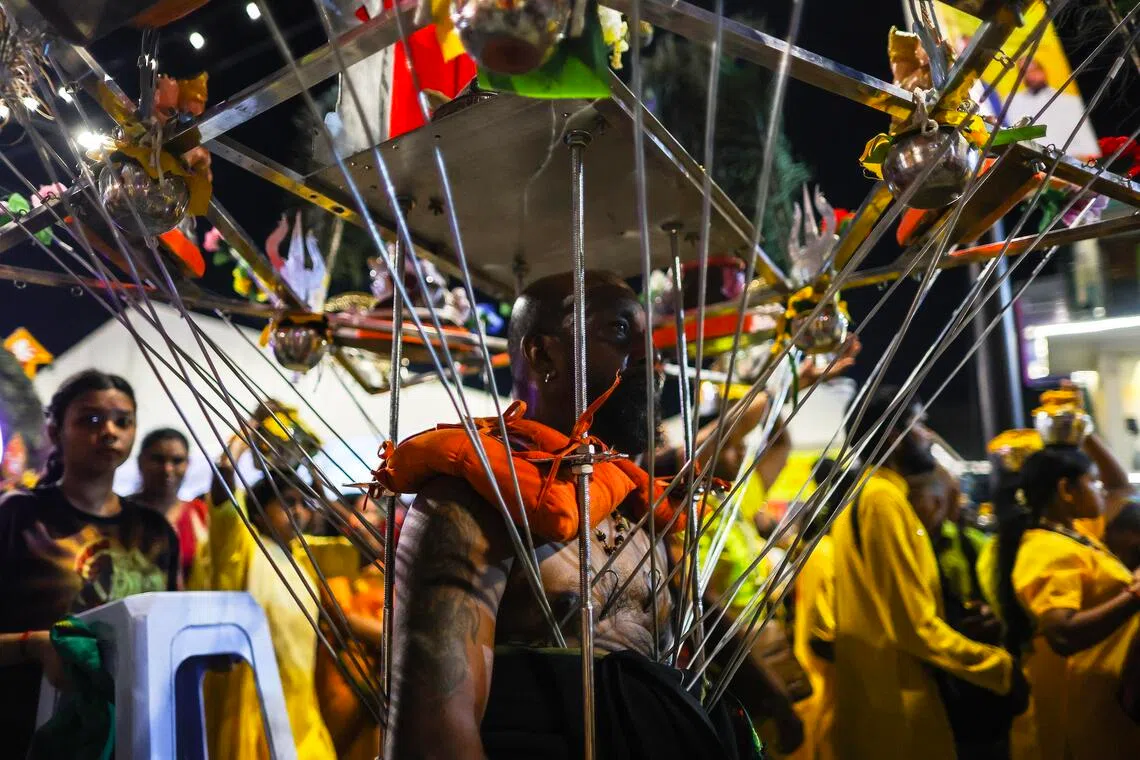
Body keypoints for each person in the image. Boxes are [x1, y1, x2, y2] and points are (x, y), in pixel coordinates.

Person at [380, 271, 764, 759]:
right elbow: (433, 734)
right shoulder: (470, 501)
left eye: (649, 336)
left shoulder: (636, 505)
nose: (652, 356)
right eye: (622, 331)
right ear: (543, 354)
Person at [830, 387, 1019, 760]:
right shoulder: (881, 500)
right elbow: (913, 625)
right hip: (899, 705)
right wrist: (999, 668)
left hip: (886, 699)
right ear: (893, 437)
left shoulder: (874, 495)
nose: (928, 435)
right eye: (919, 422)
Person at [0, 369, 179, 757]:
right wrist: (34, 646)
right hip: (27, 734)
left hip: (131, 735)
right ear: (54, 431)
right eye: (91, 419)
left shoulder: (156, 532)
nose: (109, 431)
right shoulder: (18, 517)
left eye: (123, 421)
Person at [191, 427, 359, 760]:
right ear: (257, 512)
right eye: (284, 502)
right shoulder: (242, 544)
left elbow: (366, 545)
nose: (297, 510)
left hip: (300, 709)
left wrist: (322, 495)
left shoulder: (304, 555)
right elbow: (224, 486)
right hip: (248, 704)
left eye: (301, 504)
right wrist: (244, 437)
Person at [996, 445, 1140, 760]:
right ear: (1066, 489)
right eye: (1092, 481)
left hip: (1102, 709)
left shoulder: (1074, 534)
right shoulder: (1047, 551)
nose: (1101, 489)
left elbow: (1120, 487)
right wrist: (1135, 594)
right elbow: (1062, 634)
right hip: (1073, 721)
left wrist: (1085, 436)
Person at [130, 427, 208, 584]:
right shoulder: (119, 513)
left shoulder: (199, 514)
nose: (167, 469)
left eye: (177, 461)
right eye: (158, 460)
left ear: (188, 464)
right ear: (140, 462)